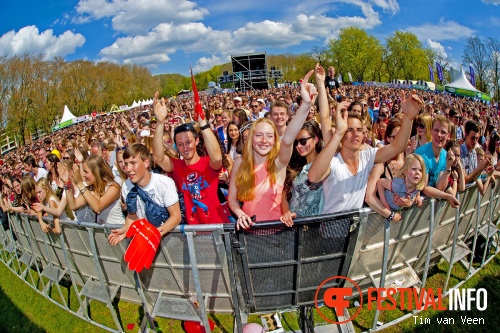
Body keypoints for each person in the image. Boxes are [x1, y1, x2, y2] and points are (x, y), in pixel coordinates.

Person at [308, 90, 423, 217]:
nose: (355, 134)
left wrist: (408, 117)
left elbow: (397, 147)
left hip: (356, 230)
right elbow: (313, 176)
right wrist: (339, 132)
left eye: (358, 130)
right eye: (349, 130)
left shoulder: (367, 157)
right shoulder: (333, 162)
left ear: (364, 135)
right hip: (331, 232)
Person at [228, 70, 314, 228]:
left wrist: (306, 105)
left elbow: (288, 139)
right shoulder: (239, 164)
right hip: (250, 235)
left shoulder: (278, 162)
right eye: (258, 135)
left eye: (269, 136)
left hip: (277, 234)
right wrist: (241, 214)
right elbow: (232, 199)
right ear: (251, 138)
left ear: (275, 140)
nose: (263, 140)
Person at [153, 92, 229, 224]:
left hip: (218, 228)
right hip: (195, 233)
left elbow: (217, 158)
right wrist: (160, 122)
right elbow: (158, 158)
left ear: (197, 141)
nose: (185, 148)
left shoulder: (207, 163)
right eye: (180, 145)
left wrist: (203, 124)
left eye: (188, 142)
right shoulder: (177, 166)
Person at [108, 144, 181, 246]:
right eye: (126, 164)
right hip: (145, 243)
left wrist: (154, 234)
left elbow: (176, 217)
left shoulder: (164, 183)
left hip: (169, 241)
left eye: (133, 163)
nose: (128, 169)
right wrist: (125, 230)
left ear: (146, 162)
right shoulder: (126, 186)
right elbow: (132, 216)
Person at [64, 155, 124, 225]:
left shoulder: (113, 187)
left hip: (119, 231)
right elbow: (73, 205)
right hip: (104, 234)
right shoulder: (91, 190)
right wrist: (67, 183)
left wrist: (80, 183)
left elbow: (98, 207)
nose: (83, 175)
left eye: (86, 172)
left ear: (96, 172)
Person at [414, 115, 452, 190]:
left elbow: (439, 187)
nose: (439, 135)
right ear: (431, 131)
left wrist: (448, 168)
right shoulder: (421, 154)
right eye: (436, 130)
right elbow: (424, 188)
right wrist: (447, 196)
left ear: (449, 136)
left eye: (443, 132)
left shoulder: (445, 155)